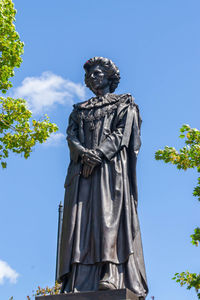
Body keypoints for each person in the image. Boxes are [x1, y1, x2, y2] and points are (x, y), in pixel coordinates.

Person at [58, 57, 148, 299]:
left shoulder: (124, 103)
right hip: (82, 172)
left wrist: (98, 154)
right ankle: (77, 279)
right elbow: (71, 136)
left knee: (108, 218)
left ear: (110, 77)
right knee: (79, 223)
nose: (92, 77)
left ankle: (110, 273)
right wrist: (83, 154)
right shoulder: (79, 110)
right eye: (89, 75)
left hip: (109, 170)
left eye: (97, 73)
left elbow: (122, 133)